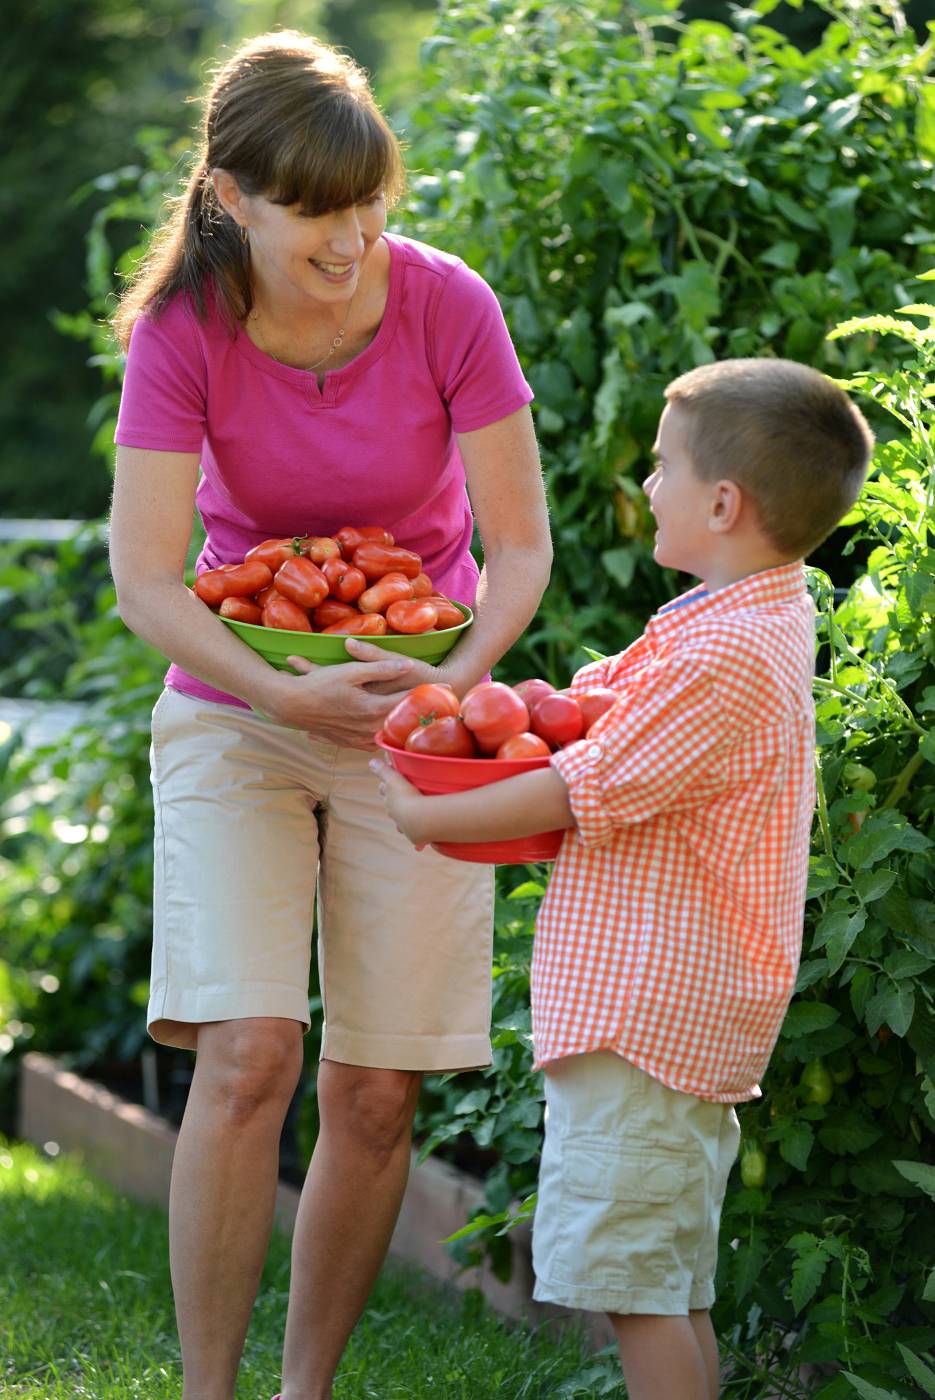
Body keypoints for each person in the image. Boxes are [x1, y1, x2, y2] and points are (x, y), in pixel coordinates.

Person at [108, 29, 551, 1400]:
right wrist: (280, 688)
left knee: (373, 1088)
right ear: (233, 198)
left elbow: (518, 549)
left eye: (371, 199)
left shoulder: (445, 306)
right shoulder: (186, 328)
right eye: (318, 207)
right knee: (249, 1055)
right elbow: (145, 574)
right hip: (238, 703)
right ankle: (209, 1391)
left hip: (416, 713)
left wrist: (446, 693)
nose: (355, 236)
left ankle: (305, 1394)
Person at [375, 358, 874, 1400]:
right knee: (663, 1285)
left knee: (637, 1292)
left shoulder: (726, 650)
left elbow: (574, 785)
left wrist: (424, 810)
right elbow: (592, 721)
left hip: (644, 1020)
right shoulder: (729, 619)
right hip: (659, 1015)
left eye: (659, 466)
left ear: (722, 501)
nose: (645, 484)